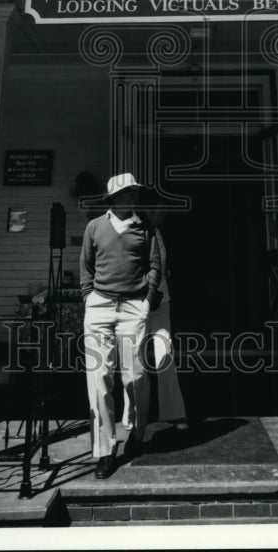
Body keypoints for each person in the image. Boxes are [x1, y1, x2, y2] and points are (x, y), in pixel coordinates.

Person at [79, 172, 161, 479]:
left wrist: (147, 298)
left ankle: (136, 435)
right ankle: (105, 450)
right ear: (113, 199)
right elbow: (85, 265)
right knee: (99, 377)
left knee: (136, 374)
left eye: (135, 193)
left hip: (132, 307)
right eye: (127, 193)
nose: (133, 197)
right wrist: (88, 296)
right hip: (99, 306)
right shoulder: (95, 227)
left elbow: (155, 264)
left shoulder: (145, 227)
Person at [121, 210, 188, 433]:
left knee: (164, 355)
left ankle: (174, 412)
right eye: (159, 208)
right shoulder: (130, 231)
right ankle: (133, 415)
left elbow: (162, 263)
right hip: (135, 303)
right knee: (133, 361)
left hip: (160, 302)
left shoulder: (156, 232)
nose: (163, 213)